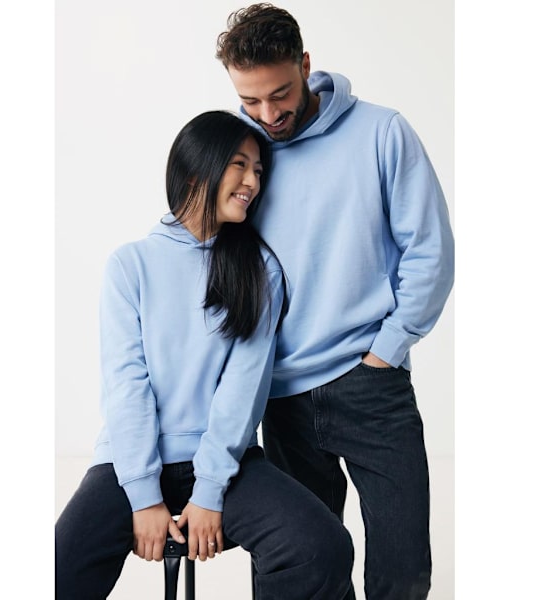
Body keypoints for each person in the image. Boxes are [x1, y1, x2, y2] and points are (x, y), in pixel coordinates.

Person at [55, 110, 355, 599]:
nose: (252, 181)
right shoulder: (131, 265)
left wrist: (210, 490)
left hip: (224, 461)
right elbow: (127, 386)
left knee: (322, 546)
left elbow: (242, 390)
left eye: (258, 170)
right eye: (239, 165)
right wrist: (143, 498)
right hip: (130, 461)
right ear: (196, 171)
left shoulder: (259, 269)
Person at [216, 5, 455, 600]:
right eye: (250, 101)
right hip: (281, 395)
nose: (268, 114)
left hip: (371, 383)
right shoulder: (246, 154)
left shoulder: (381, 132)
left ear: (305, 65)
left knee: (402, 568)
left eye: (279, 94)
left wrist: (387, 351)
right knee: (299, 572)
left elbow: (429, 250)